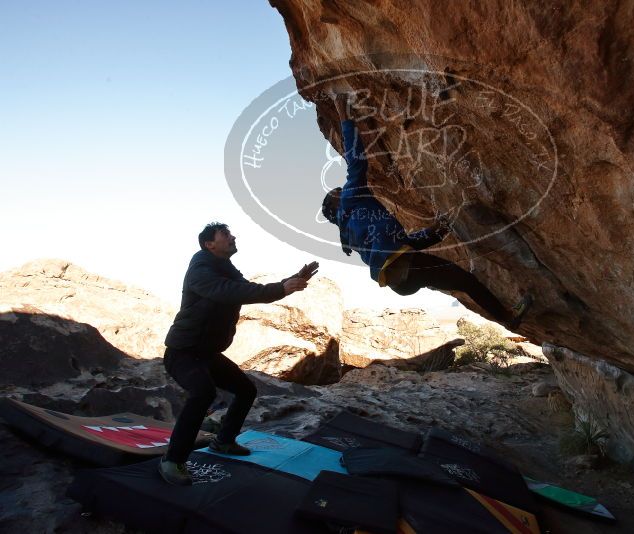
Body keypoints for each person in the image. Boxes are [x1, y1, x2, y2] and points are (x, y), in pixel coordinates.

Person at [321, 94, 531, 328]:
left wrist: (437, 232)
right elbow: (356, 164)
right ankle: (508, 318)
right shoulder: (350, 200)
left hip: (401, 279)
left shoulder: (354, 232)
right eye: (336, 191)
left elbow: (402, 244)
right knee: (466, 281)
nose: (340, 188)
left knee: (458, 279)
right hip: (406, 268)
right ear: (335, 204)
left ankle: (506, 315)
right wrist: (345, 118)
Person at [159, 222, 318, 485]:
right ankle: (173, 460)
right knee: (203, 393)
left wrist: (289, 281)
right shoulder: (200, 269)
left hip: (207, 353)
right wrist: (283, 287)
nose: (233, 237)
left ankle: (223, 441)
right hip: (183, 352)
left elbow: (250, 289)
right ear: (209, 244)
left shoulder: (226, 268)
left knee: (246, 390)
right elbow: (233, 292)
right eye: (225, 234)